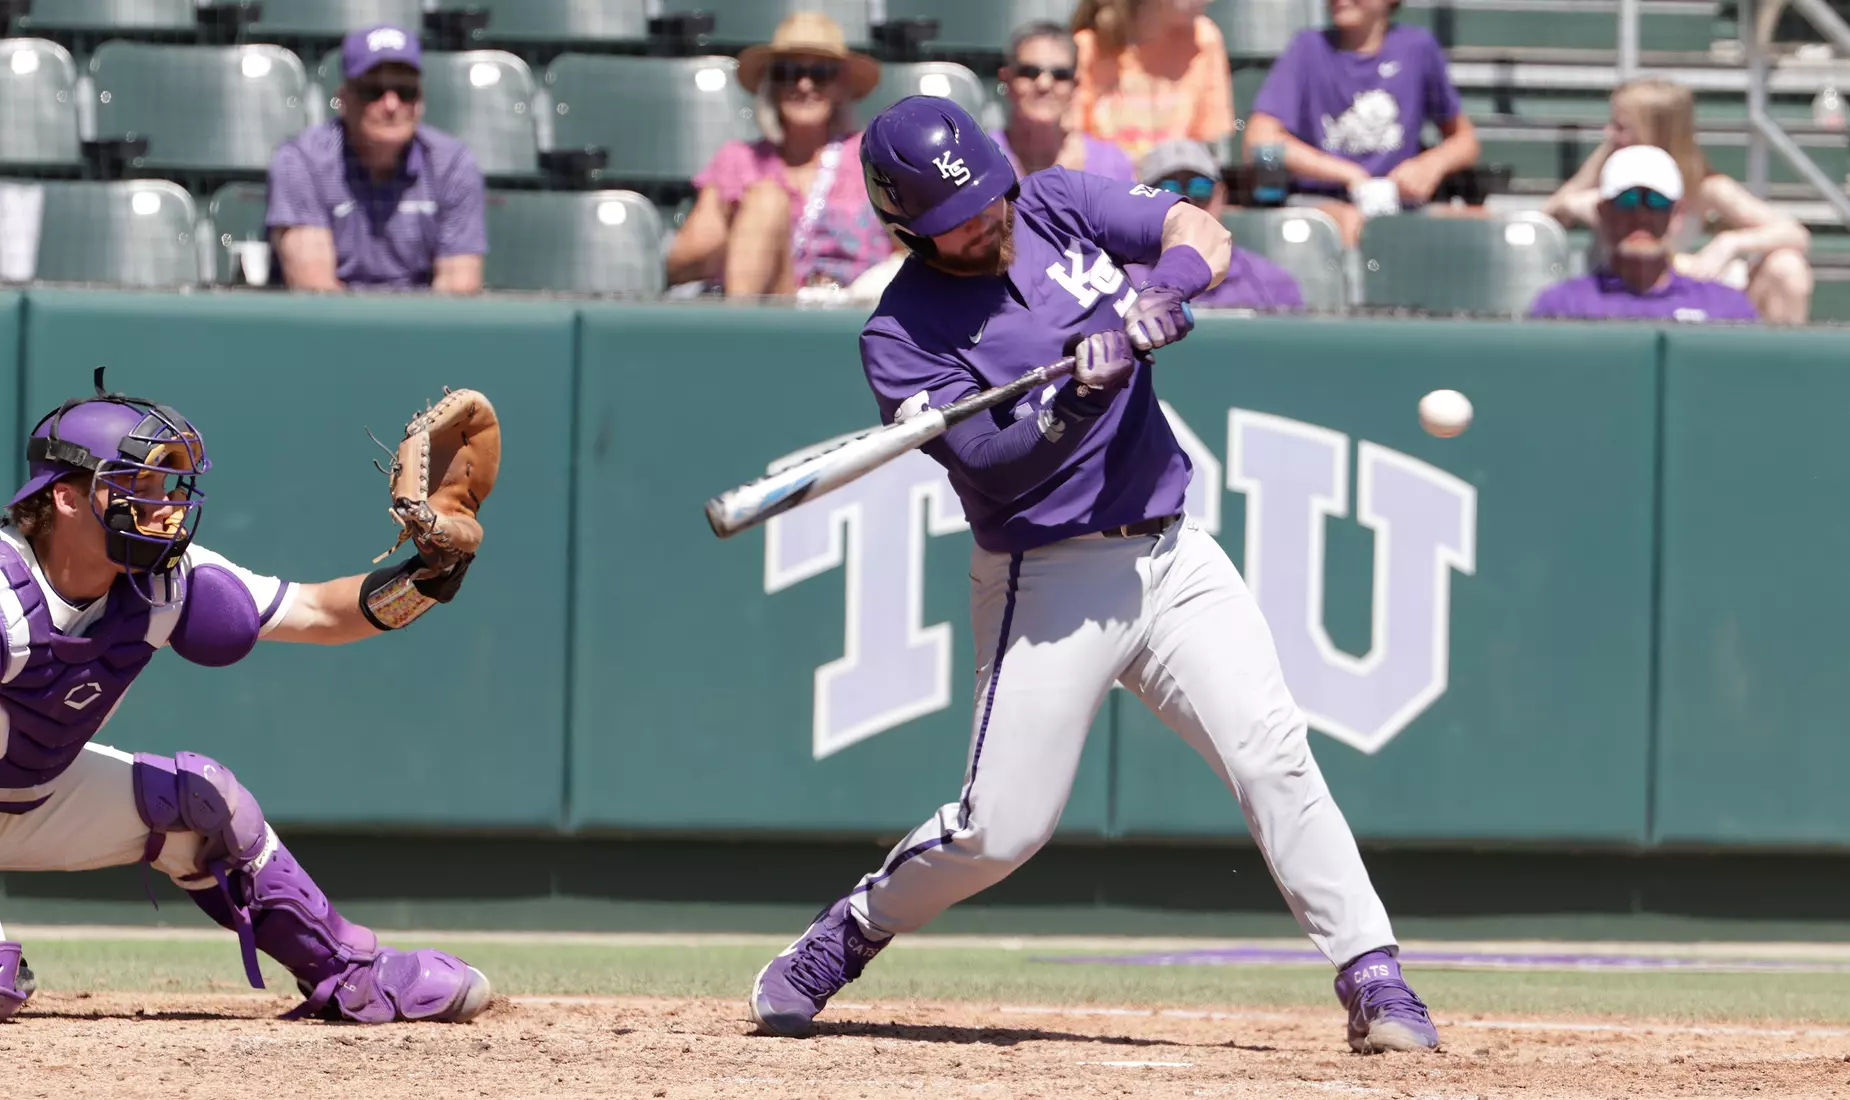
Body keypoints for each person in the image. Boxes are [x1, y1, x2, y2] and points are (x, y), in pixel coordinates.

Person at [747, 96, 1439, 1056]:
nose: (987, 224)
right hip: (1048, 578)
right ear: (909, 228)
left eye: (988, 201)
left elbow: (1194, 229)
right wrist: (1074, 397)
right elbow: (993, 461)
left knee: (1272, 753)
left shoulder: (1057, 203)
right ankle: (847, 934)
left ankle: (1376, 978)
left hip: (1171, 549)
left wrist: (1173, 288)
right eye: (957, 223)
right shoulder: (901, 333)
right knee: (1000, 831)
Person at [0, 371, 492, 1024]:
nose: (164, 506)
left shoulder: (166, 582)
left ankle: (351, 975)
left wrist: (425, 577)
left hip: (34, 798)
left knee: (206, 803)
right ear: (66, 498)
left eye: (167, 486)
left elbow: (318, 612)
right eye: (137, 486)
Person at [1541, 77, 1812, 324]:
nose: (1608, 133)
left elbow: (1795, 233)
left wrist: (1728, 243)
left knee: (1787, 266)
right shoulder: (1609, 166)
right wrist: (1577, 202)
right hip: (1612, 292)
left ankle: (1781, 368)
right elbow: (1546, 217)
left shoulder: (1704, 184)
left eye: (1620, 126)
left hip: (1686, 293)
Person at [665, 12, 893, 299]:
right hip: (775, 305)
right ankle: (740, 337)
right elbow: (681, 264)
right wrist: (745, 237)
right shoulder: (739, 161)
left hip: (857, 311)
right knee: (766, 201)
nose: (804, 85)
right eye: (789, 73)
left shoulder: (874, 158)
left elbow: (913, 251)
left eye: (820, 74)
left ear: (840, 86)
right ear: (772, 85)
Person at [267, 25, 486, 293]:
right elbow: (315, 291)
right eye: (373, 90)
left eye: (405, 91)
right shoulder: (301, 162)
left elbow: (457, 290)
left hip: (421, 328)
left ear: (420, 101)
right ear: (343, 99)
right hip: (334, 329)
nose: (392, 105)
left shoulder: (453, 165)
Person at [1244, 0, 1478, 246]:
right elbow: (1258, 142)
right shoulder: (1307, 48)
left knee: (1474, 225)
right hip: (1320, 201)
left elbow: (1465, 141)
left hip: (1400, 203)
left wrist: (1431, 165)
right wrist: (1349, 175)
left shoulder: (1418, 47)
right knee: (1351, 226)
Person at [1529, 145, 1759, 322]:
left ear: (1677, 214)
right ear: (1603, 212)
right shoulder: (1562, 306)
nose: (1641, 216)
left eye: (1656, 201)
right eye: (1626, 200)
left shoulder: (1726, 307)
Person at [1132, 139, 1305, 310]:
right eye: (1167, 191)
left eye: (1200, 188)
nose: (1187, 205)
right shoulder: (1121, 284)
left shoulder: (1272, 285)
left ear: (1221, 194)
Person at [1070, 0, 1237, 167]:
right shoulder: (1089, 48)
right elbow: (1072, 149)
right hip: (1104, 187)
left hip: (1177, 187)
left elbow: (1212, 151)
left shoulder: (1202, 40)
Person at [992, 21, 1138, 182]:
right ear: (1006, 79)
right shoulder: (978, 156)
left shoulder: (1111, 165)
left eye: (1061, 75)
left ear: (1075, 85)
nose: (1044, 84)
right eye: (1029, 72)